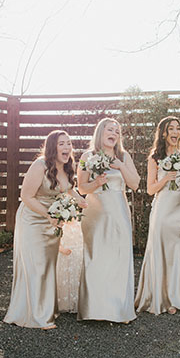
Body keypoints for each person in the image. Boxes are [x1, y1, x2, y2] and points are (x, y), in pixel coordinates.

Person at [4, 130, 87, 329]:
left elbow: (67, 188)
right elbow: (26, 196)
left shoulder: (67, 166)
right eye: (62, 144)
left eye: (69, 144)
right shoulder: (40, 165)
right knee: (36, 265)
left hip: (53, 220)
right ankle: (36, 316)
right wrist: (48, 215)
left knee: (49, 266)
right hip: (33, 218)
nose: (67, 148)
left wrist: (79, 200)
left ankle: (46, 310)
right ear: (52, 147)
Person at [77, 118, 139, 323]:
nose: (114, 133)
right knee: (96, 257)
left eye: (117, 131)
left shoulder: (123, 156)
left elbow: (135, 184)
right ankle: (94, 309)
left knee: (118, 256)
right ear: (100, 133)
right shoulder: (88, 156)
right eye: (109, 129)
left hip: (118, 210)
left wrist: (121, 166)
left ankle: (119, 310)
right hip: (95, 212)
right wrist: (96, 182)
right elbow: (82, 188)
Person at [135, 116, 180, 315]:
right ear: (163, 133)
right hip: (163, 209)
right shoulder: (155, 158)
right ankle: (161, 298)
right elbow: (150, 190)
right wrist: (166, 179)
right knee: (161, 253)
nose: (175, 132)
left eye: (178, 129)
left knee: (179, 254)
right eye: (171, 128)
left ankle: (178, 296)